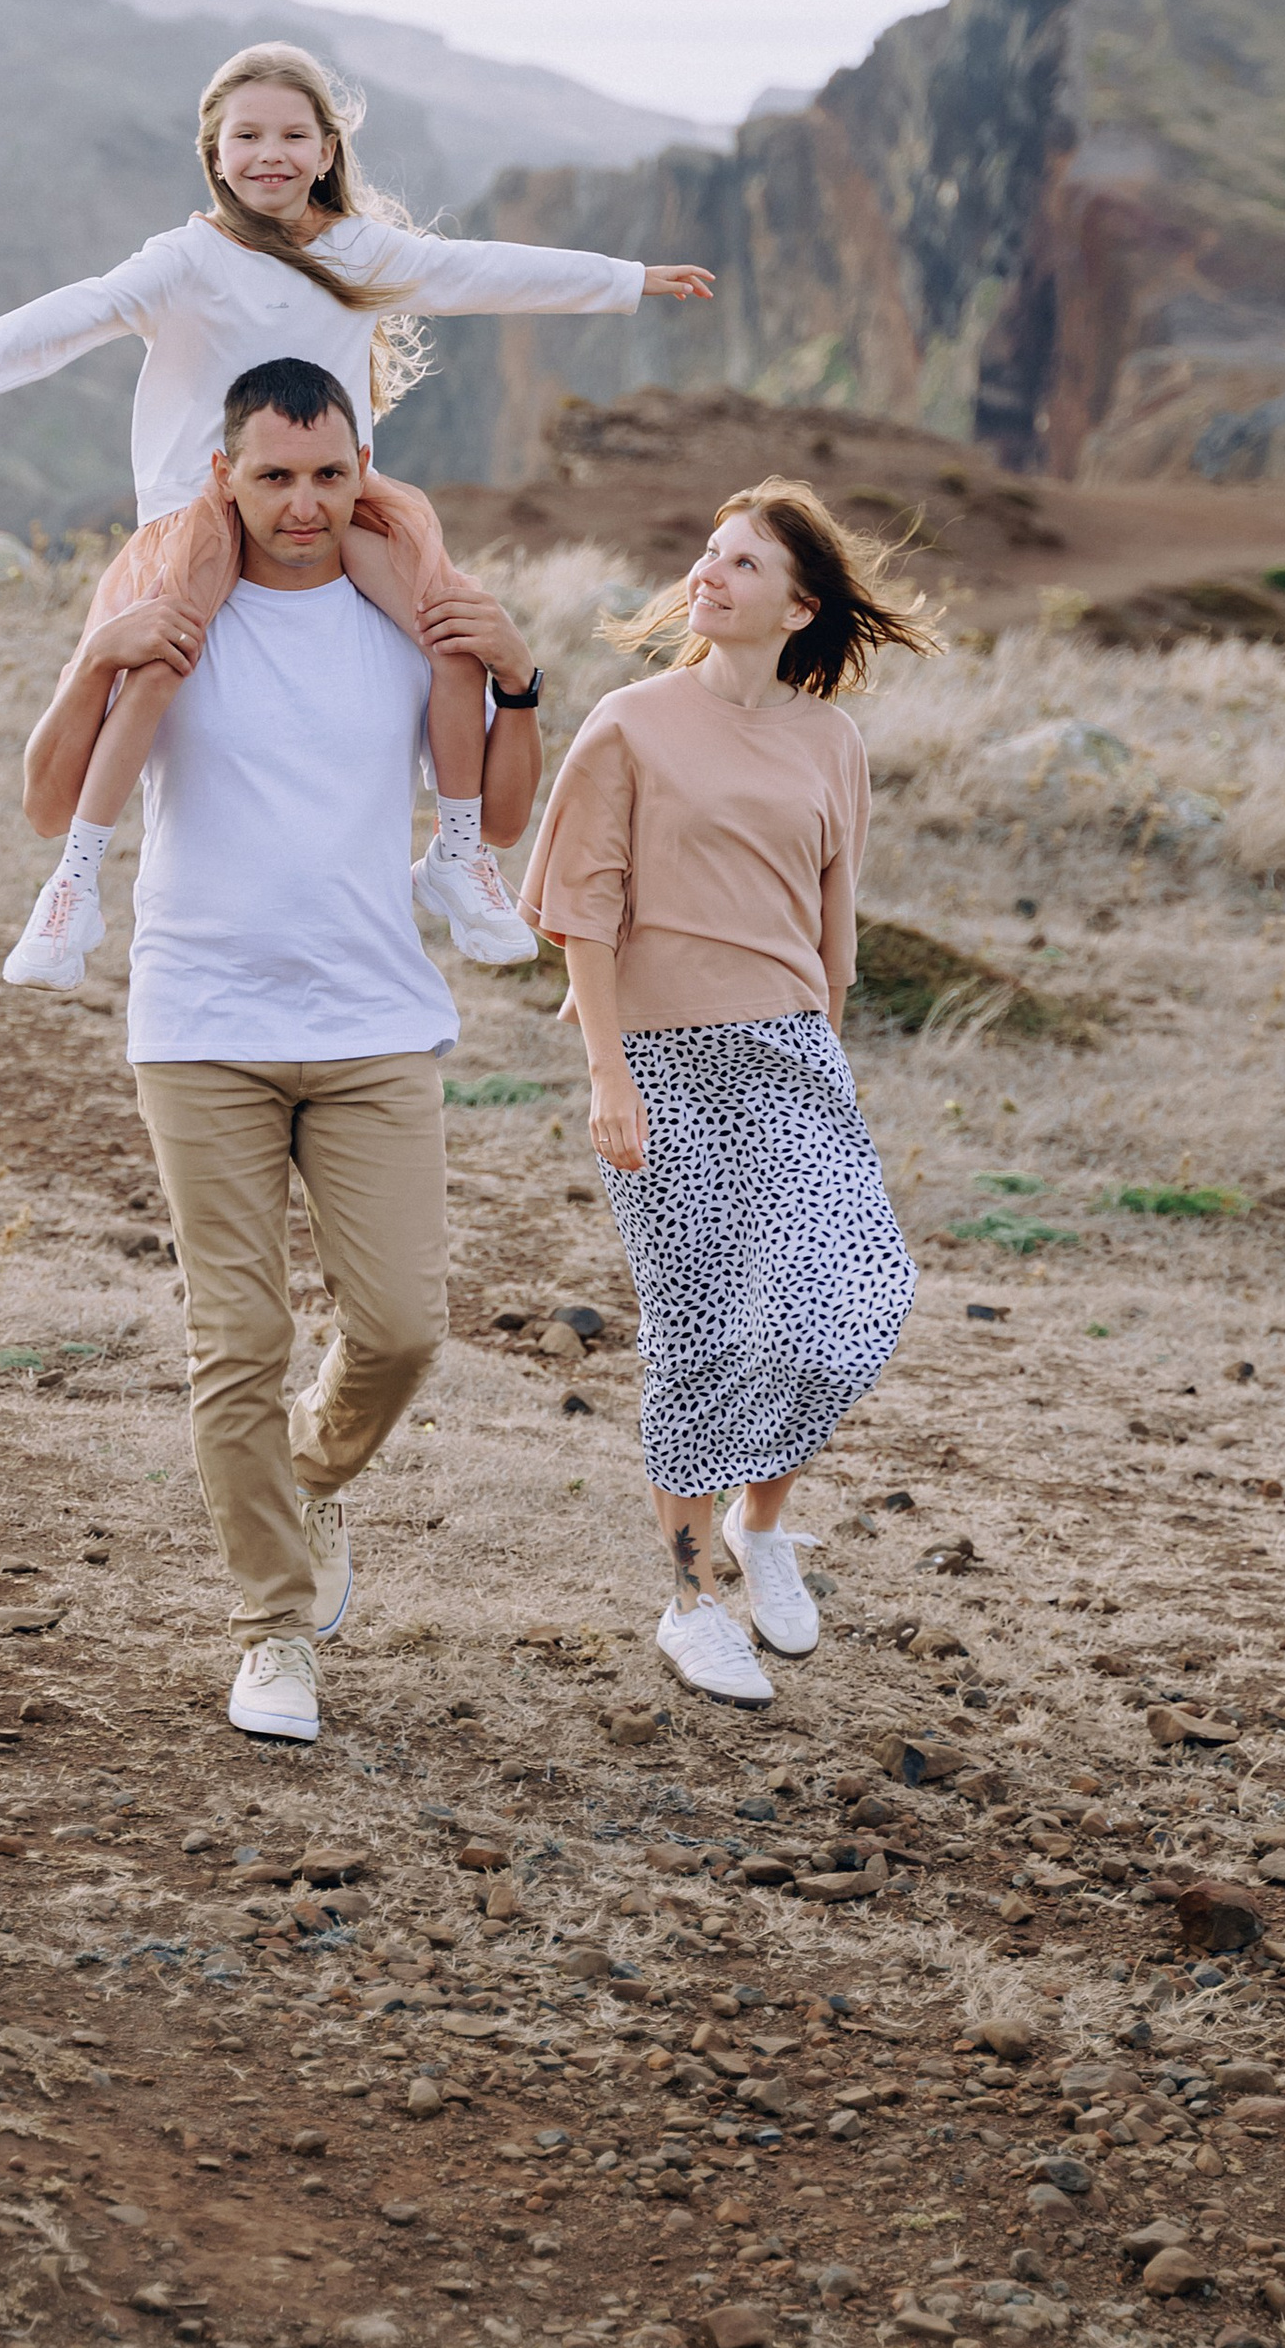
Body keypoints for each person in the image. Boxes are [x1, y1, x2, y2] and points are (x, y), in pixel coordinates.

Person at [0, 39, 711, 990]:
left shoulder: (362, 252)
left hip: (333, 497)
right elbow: (83, 309)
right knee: (155, 665)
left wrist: (626, 278)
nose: (268, 154)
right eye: (246, 136)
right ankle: (72, 887)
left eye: (291, 135)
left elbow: (483, 272)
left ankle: (457, 853)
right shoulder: (187, 259)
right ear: (213, 152)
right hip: (202, 508)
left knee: (448, 638)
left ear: (326, 151)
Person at [18, 355, 544, 1745]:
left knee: (402, 1327)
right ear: (224, 477)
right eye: (274, 477)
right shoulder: (170, 608)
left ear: (360, 472)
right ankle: (272, 1631)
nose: (303, 506)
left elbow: (489, 810)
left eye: (329, 476)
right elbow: (47, 800)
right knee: (237, 1339)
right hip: (201, 1024)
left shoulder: (406, 615)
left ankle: (305, 1476)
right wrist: (91, 658)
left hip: (375, 1022)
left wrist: (522, 675)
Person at [520, 479, 940, 1709]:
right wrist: (608, 1072)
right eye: (707, 552)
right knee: (701, 1333)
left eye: (742, 563)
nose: (707, 573)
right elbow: (581, 914)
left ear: (799, 605)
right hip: (657, 1062)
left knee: (847, 1297)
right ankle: (691, 1598)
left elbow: (832, 924)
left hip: (792, 1056)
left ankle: (763, 1529)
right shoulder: (628, 722)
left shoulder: (831, 741)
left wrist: (826, 1060)